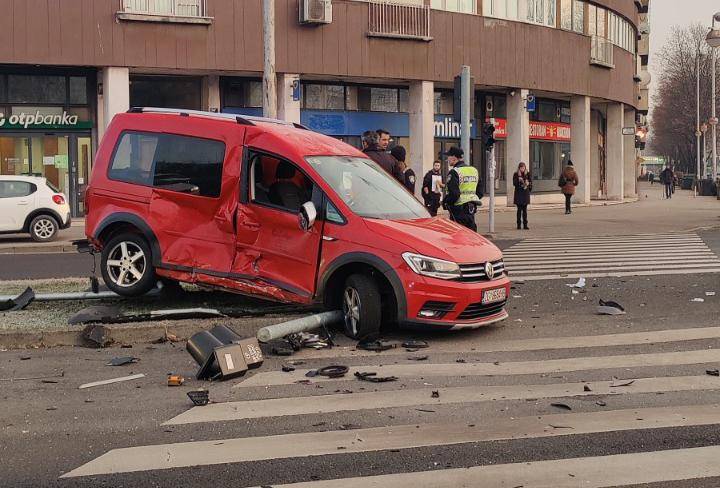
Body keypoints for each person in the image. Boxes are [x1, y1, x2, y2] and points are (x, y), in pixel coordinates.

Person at [442, 147, 482, 232]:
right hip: (471, 209)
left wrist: (445, 202)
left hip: (458, 211)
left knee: (459, 237)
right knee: (471, 236)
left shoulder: (455, 172)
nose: (447, 159)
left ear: (454, 158)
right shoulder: (474, 170)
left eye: (448, 156)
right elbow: (480, 192)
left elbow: (454, 194)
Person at [513, 162, 532, 230]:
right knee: (519, 210)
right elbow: (514, 183)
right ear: (519, 168)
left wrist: (528, 184)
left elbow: (531, 183)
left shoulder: (528, 174)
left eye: (523, 168)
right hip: (519, 194)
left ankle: (525, 225)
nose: (522, 169)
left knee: (525, 211)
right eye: (521, 168)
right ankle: (518, 225)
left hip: (525, 194)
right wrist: (518, 181)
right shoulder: (516, 174)